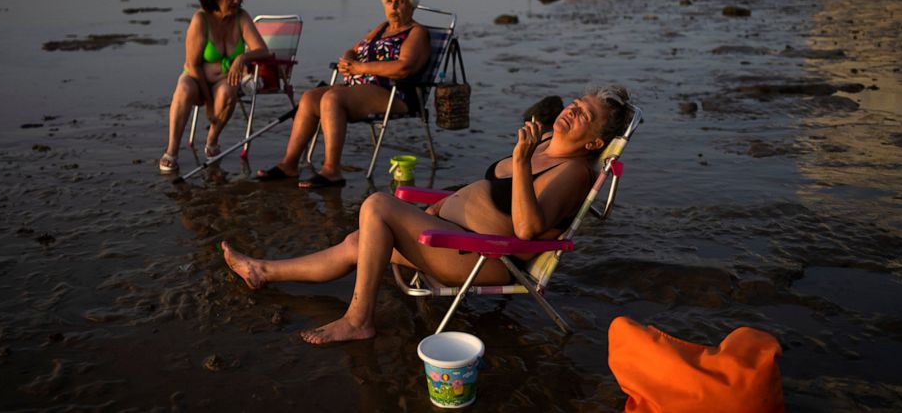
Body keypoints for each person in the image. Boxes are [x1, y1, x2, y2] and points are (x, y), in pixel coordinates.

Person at [224, 86, 632, 343]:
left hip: (486, 258)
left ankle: (358, 320)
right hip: (457, 235)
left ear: (595, 141)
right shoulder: (542, 139)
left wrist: (521, 163)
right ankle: (264, 271)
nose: (572, 110)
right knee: (357, 242)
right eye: (576, 103)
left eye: (584, 114)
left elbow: (526, 229)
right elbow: (489, 193)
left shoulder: (574, 171)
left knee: (377, 206)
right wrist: (441, 206)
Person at [255, 0, 430, 188]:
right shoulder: (383, 28)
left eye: (399, 1)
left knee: (332, 98)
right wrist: (348, 59)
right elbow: (355, 49)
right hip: (362, 88)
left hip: (395, 93)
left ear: (411, 5)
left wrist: (361, 68)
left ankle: (332, 170)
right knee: (310, 98)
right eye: (389, 1)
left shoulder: (416, 32)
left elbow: (403, 67)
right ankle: (289, 165)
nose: (393, 6)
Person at [159, 0, 269, 173]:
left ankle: (212, 141)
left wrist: (242, 57)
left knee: (229, 91)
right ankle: (171, 150)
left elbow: (263, 50)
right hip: (195, 77)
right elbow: (192, 65)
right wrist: (208, 101)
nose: (236, 1)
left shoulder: (241, 18)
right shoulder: (201, 19)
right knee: (183, 90)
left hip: (223, 81)